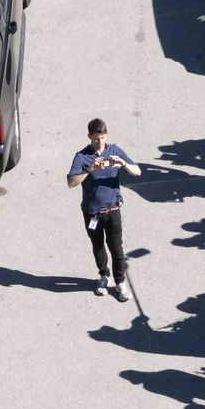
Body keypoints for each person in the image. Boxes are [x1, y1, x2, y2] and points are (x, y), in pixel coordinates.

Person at [66, 118, 143, 302]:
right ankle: (103, 275)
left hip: (113, 210)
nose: (99, 142)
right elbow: (71, 182)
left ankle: (120, 281)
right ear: (89, 137)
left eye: (101, 138)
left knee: (116, 248)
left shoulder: (114, 151)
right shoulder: (82, 156)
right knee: (98, 246)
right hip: (92, 212)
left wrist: (123, 164)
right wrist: (90, 169)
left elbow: (137, 171)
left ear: (106, 135)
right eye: (95, 139)